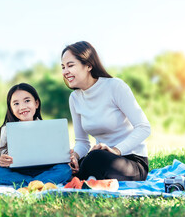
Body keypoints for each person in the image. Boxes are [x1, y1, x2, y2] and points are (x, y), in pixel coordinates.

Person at [61, 41, 151, 181]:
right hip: (100, 159)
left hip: (131, 161)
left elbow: (144, 128)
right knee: (64, 164)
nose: (65, 72)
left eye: (70, 65)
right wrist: (75, 157)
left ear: (88, 65)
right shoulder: (74, 98)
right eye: (63, 67)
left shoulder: (115, 86)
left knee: (95, 157)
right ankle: (75, 174)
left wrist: (115, 151)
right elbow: (82, 142)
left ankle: (76, 178)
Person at [0, 83, 72, 187]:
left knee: (65, 169)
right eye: (16, 103)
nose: (22, 107)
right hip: (19, 172)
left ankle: (26, 185)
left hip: (45, 169)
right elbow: (5, 159)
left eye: (27, 101)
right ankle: (37, 184)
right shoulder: (6, 130)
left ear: (36, 103)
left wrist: (65, 156)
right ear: (10, 108)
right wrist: (3, 160)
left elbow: (58, 155)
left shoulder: (49, 128)